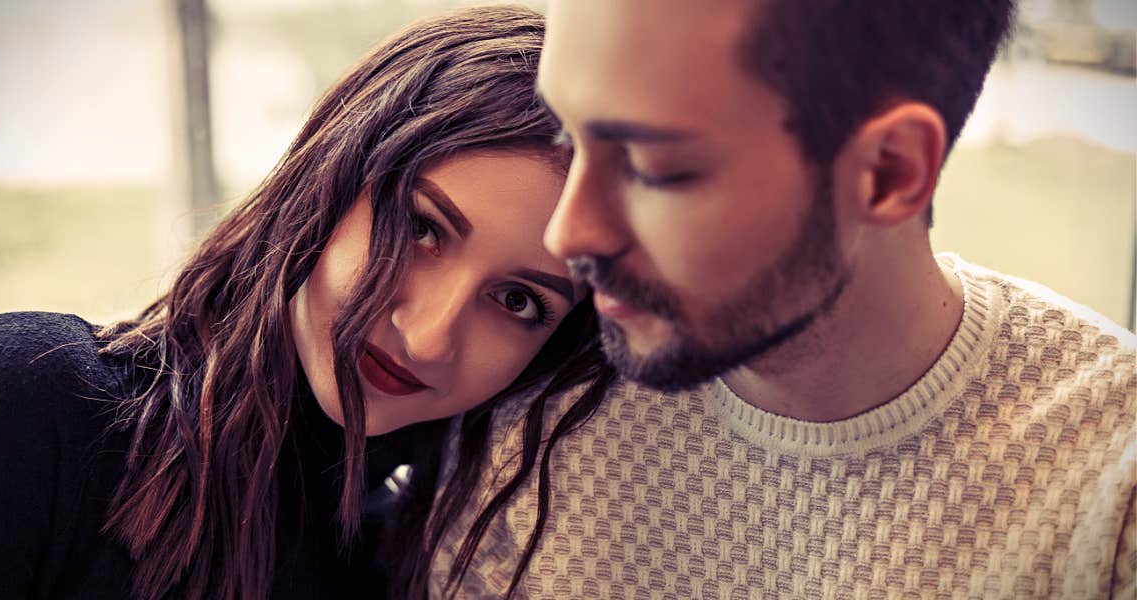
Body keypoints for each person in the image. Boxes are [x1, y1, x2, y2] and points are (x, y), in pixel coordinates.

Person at [432, 1, 1136, 598]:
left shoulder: (1110, 483)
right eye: (568, 133)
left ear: (888, 172)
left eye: (654, 169)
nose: (569, 234)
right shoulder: (531, 414)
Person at [0, 6, 612, 599]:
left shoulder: (415, 567)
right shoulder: (34, 405)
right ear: (328, 176)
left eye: (518, 300)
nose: (431, 337)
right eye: (421, 228)